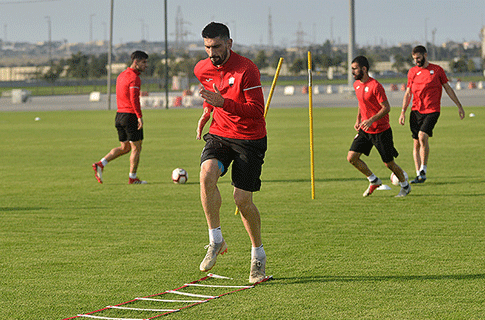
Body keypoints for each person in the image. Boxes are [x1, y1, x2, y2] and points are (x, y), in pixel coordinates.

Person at [194, 22, 267, 283]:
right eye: (207, 47)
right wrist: (207, 111)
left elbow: (257, 110)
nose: (211, 53)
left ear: (229, 43)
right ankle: (215, 239)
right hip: (220, 134)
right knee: (206, 173)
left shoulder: (247, 69)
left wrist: (222, 103)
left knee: (242, 201)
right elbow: (210, 94)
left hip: (250, 139)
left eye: (216, 46)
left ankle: (258, 256)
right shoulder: (201, 68)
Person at [399, 45, 465, 183]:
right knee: (416, 143)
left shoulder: (437, 70)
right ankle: (419, 174)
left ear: (425, 55)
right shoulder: (412, 72)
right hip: (416, 110)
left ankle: (423, 168)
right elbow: (408, 92)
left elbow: (447, 88)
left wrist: (459, 105)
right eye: (414, 59)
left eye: (418, 58)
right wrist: (403, 112)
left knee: (422, 136)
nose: (416, 61)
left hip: (432, 110)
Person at [347, 56, 411, 198]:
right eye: (352, 69)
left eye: (355, 69)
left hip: (381, 131)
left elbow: (387, 108)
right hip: (365, 129)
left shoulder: (376, 86)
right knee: (352, 158)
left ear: (364, 69)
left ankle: (405, 186)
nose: (352, 72)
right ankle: (373, 180)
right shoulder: (356, 85)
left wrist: (371, 120)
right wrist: (358, 119)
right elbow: (361, 103)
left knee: (389, 164)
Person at [92, 51, 149, 185]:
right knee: (136, 147)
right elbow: (134, 99)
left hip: (119, 115)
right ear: (136, 62)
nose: (146, 65)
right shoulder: (134, 78)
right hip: (130, 116)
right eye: (144, 62)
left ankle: (101, 163)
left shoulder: (121, 75)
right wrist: (139, 117)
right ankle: (133, 178)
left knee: (125, 148)